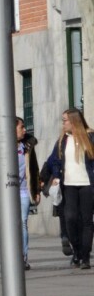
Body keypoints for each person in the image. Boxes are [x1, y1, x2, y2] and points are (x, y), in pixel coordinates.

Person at [0, 117, 40, 270]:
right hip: (7, 191)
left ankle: (23, 257)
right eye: (21, 127)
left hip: (23, 190)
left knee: (22, 223)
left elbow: (34, 168)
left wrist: (36, 190)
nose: (25, 130)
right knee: (9, 225)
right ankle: (11, 256)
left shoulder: (27, 145)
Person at [44, 108, 94, 269]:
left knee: (87, 221)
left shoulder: (90, 136)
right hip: (69, 185)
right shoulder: (63, 140)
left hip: (87, 185)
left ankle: (85, 257)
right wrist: (47, 177)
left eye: (65, 120)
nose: (63, 123)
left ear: (73, 121)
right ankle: (77, 251)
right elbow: (53, 160)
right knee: (70, 218)